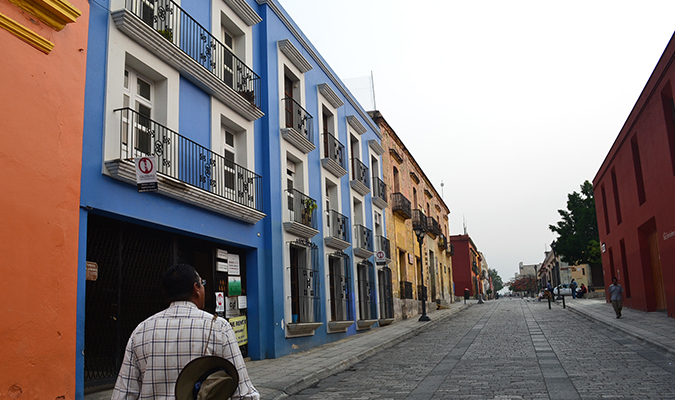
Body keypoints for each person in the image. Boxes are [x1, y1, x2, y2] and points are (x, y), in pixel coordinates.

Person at [112, 264, 259, 399]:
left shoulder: (141, 331)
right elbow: (243, 393)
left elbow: (123, 394)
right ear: (196, 288)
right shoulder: (219, 327)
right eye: (202, 284)